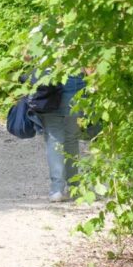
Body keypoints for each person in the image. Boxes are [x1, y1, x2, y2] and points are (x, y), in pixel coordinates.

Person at [39, 74, 86, 202]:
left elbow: (27, 57)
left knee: (54, 137)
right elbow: (89, 65)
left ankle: (57, 190)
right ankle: (74, 187)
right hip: (74, 84)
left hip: (49, 84)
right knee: (71, 138)